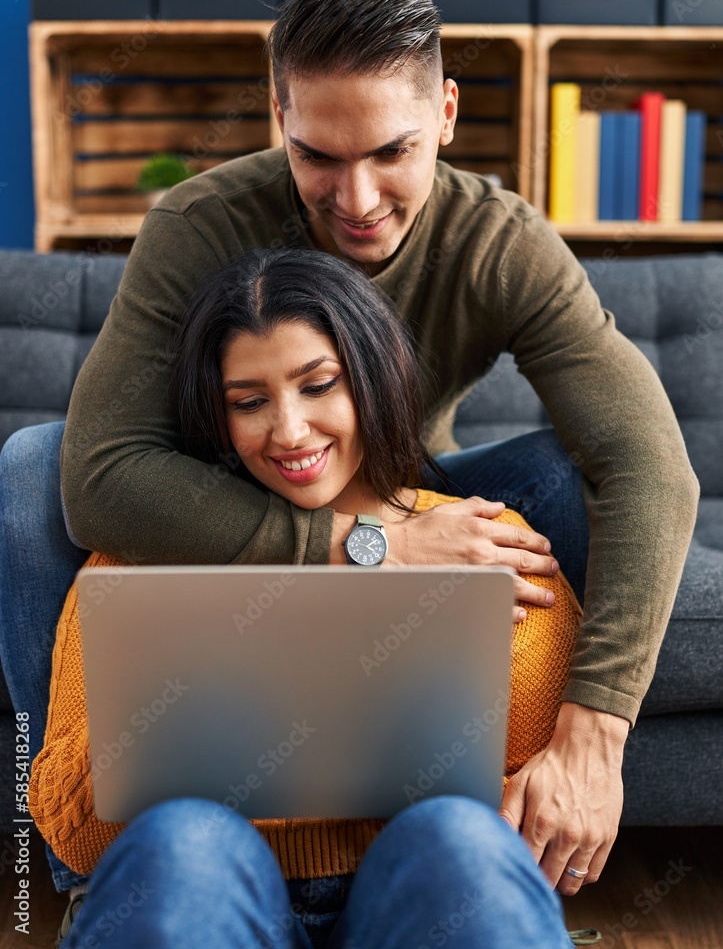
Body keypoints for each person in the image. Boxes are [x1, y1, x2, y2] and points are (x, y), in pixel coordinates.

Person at [0, 0, 697, 914]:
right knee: (34, 462)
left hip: (410, 482)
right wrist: (366, 549)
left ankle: (534, 833)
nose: (357, 198)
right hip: (233, 493)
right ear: (279, 117)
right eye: (318, 156)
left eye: (391, 153)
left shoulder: (499, 241)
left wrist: (595, 730)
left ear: (446, 113)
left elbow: (650, 462)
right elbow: (101, 478)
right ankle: (86, 869)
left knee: (553, 470)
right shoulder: (201, 224)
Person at [30, 247, 585, 949]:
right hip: (217, 898)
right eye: (249, 402)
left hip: (412, 899)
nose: (289, 431)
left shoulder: (486, 543)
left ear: (375, 380)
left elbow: (528, 814)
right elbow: (74, 837)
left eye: (318, 384)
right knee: (182, 840)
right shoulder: (138, 557)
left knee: (458, 839)